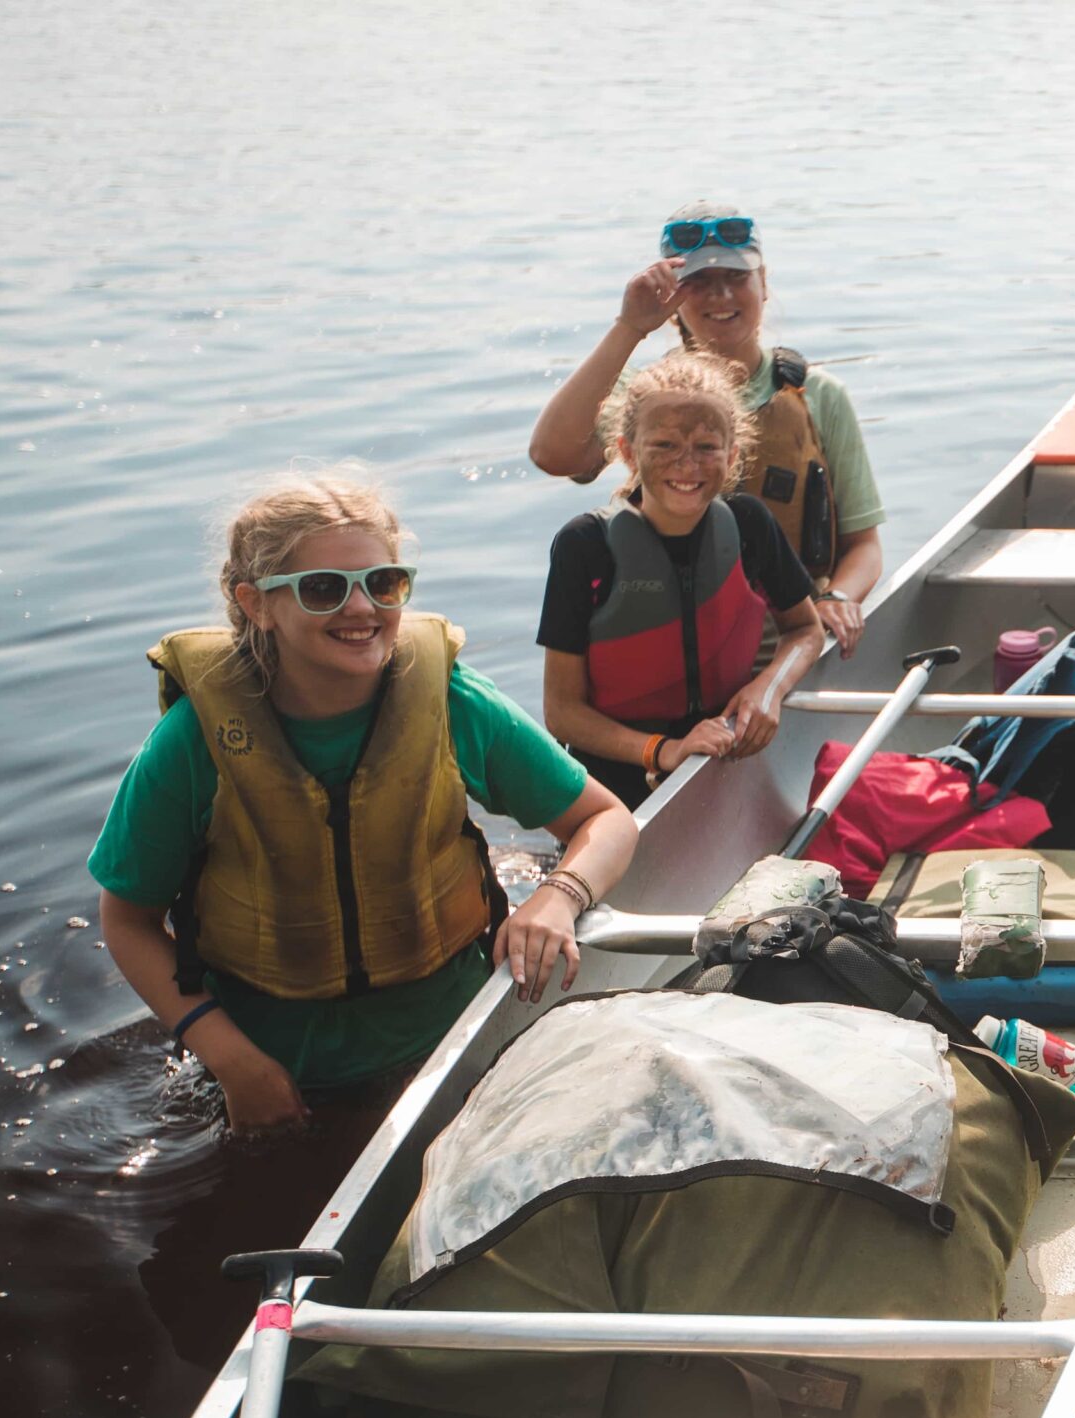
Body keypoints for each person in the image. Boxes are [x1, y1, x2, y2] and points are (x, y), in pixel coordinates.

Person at [90, 474, 639, 1135]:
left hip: (454, 1043)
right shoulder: (193, 742)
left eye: (384, 584)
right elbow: (127, 920)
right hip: (278, 1070)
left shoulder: (453, 703)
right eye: (324, 588)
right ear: (256, 603)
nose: (362, 609)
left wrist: (560, 895)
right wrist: (232, 1060)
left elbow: (606, 819)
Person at [528, 199, 884, 660]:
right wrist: (629, 328)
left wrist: (837, 598)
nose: (720, 297)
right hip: (672, 649)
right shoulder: (644, 397)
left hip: (786, 648)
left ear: (764, 285)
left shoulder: (819, 394)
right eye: (699, 283)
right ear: (672, 298)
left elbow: (865, 545)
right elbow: (552, 455)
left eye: (737, 279)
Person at [535, 351, 828, 808]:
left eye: (707, 447)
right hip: (617, 783)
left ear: (732, 455)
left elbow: (806, 629)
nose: (687, 465)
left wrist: (768, 688)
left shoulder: (749, 525)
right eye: (665, 445)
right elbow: (562, 713)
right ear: (629, 452)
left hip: (725, 754)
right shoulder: (585, 546)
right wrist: (663, 752)